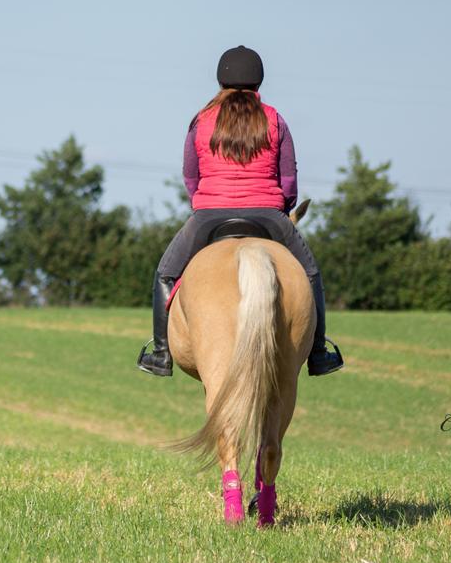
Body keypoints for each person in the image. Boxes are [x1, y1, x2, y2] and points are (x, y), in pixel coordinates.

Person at [137, 45, 344, 378]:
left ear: (221, 81)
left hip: (209, 215)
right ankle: (319, 353)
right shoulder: (275, 119)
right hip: (269, 214)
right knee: (309, 273)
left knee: (165, 273)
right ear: (259, 82)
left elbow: (191, 175)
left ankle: (160, 353)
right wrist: (284, 206)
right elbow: (288, 178)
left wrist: (203, 203)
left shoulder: (201, 121)